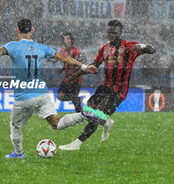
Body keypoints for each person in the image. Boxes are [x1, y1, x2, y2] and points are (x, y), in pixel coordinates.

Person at [0, 18, 97, 158]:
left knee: (15, 126)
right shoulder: (42, 48)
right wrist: (85, 67)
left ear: (17, 30)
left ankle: (19, 153)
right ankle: (83, 115)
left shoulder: (13, 46)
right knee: (56, 124)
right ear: (32, 30)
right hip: (41, 94)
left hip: (23, 96)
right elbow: (64, 58)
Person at [58, 19, 156, 151]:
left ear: (120, 32)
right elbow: (92, 66)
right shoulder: (104, 48)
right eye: (109, 32)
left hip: (119, 91)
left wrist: (144, 47)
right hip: (105, 87)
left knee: (96, 115)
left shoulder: (129, 47)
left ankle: (77, 143)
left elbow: (152, 49)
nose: (111, 35)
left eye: (114, 32)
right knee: (88, 112)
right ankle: (106, 123)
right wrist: (72, 77)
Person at [56, 32, 83, 113]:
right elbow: (67, 63)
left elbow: (80, 63)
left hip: (75, 79)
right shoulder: (63, 50)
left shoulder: (75, 51)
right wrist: (62, 69)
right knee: (59, 96)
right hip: (66, 78)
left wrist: (74, 70)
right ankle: (77, 99)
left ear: (71, 40)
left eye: (68, 39)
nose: (66, 41)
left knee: (75, 101)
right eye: (64, 39)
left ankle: (80, 118)